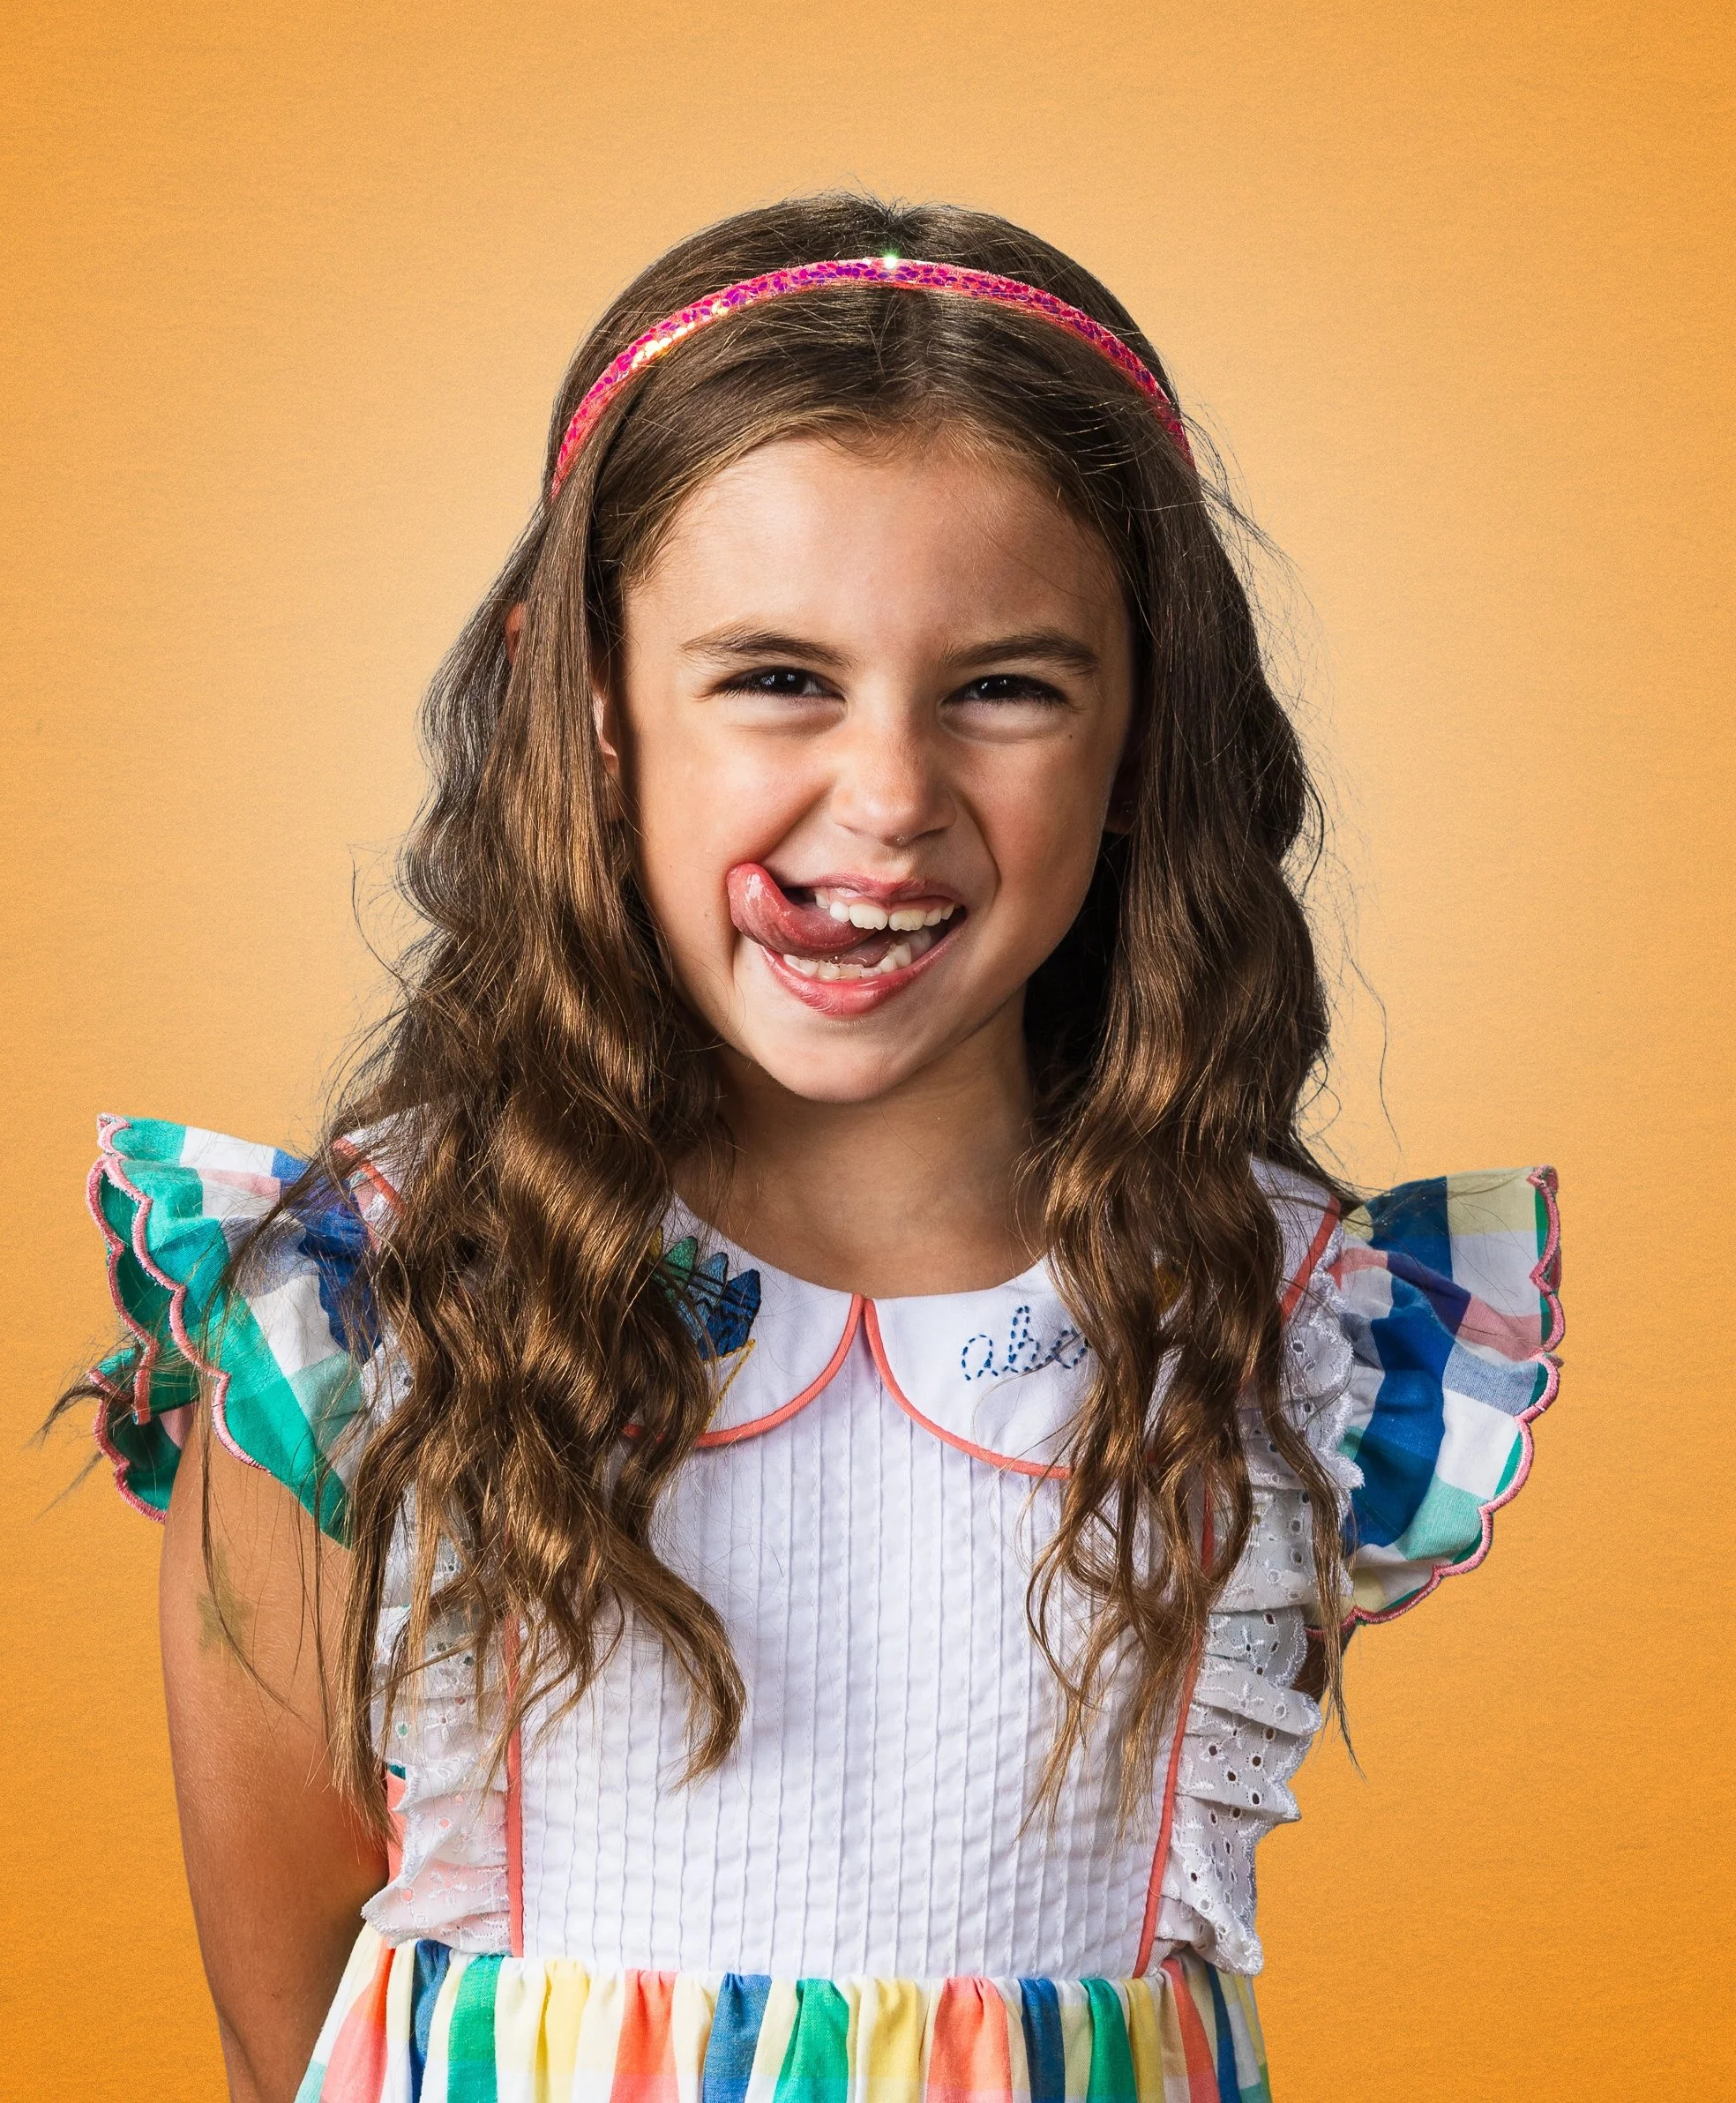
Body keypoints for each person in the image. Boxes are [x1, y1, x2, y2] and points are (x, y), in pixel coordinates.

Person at [71, 197, 1563, 2103]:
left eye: (1006, 687)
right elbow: (281, 2025)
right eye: (777, 674)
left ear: (1142, 730)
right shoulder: (373, 1309)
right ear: (588, 694)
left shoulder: (1289, 1328)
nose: (887, 799)